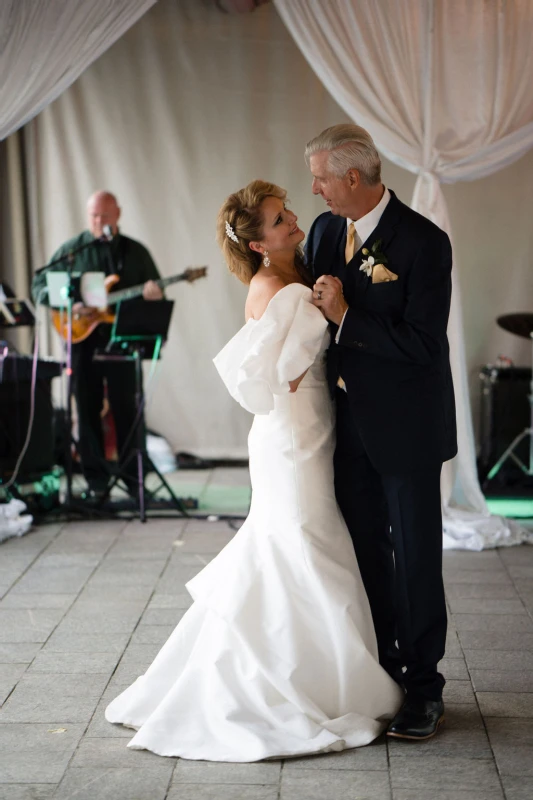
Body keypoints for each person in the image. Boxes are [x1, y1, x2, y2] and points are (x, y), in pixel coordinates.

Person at [104, 180, 403, 761]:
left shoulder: (293, 276)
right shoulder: (276, 288)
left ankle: (321, 673)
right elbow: (278, 373)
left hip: (309, 429)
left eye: (287, 212)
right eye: (278, 219)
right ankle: (292, 685)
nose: (293, 220)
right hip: (292, 435)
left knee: (298, 543)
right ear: (260, 244)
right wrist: (323, 312)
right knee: (301, 542)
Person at [306, 124, 457, 740]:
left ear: (351, 177)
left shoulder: (426, 244)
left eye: (320, 177)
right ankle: (384, 673)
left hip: (407, 428)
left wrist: (348, 316)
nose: (313, 188)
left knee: (415, 559)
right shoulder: (321, 231)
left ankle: (424, 689)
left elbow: (424, 345)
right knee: (365, 551)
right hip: (343, 429)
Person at [31, 191, 163, 497]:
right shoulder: (73, 251)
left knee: (127, 410)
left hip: (121, 341)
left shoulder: (135, 253)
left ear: (118, 214)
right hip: (81, 341)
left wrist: (155, 296)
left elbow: (156, 294)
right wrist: (72, 304)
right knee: (87, 408)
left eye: (105, 215)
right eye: (94, 215)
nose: (99, 221)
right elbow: (40, 285)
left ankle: (135, 483)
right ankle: (96, 484)